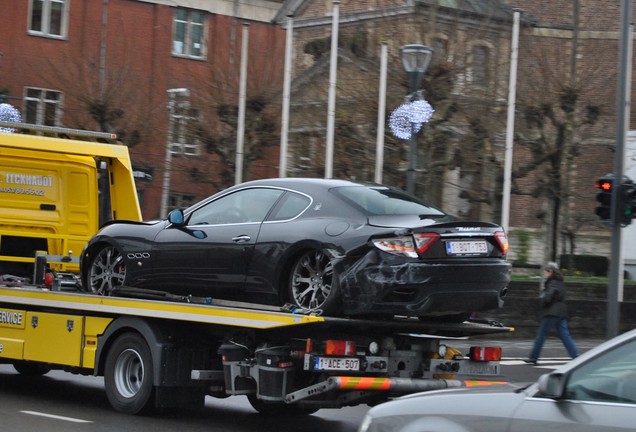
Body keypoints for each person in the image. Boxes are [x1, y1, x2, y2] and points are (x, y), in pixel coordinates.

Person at [525, 262, 578, 364]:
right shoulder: (560, 281)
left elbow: (549, 296)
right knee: (565, 335)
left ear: (550, 271)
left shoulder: (552, 282)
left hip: (552, 312)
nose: (545, 273)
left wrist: (543, 301)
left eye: (546, 271)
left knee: (541, 334)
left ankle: (533, 357)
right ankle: (575, 356)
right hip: (562, 312)